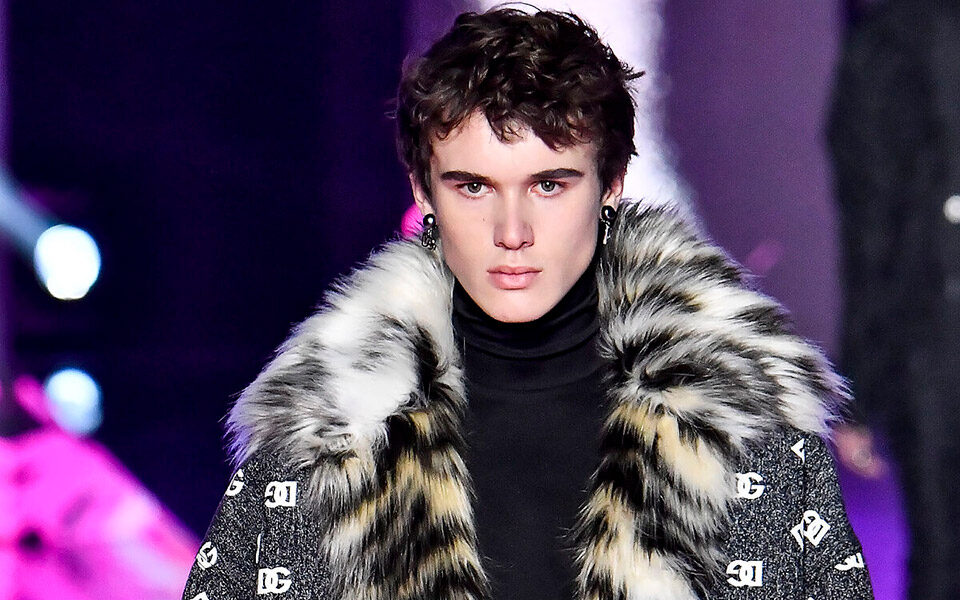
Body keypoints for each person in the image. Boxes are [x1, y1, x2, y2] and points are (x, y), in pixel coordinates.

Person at [183, 8, 873, 599]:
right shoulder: (326, 438)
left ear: (611, 186)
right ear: (423, 193)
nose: (511, 232)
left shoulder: (741, 429)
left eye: (549, 185)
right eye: (473, 187)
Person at [828, 1, 960, 598]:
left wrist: (858, 391)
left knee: (941, 549)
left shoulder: (884, 48)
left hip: (931, 336)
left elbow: (875, 234)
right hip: (930, 322)